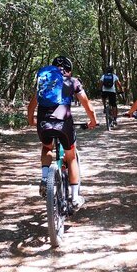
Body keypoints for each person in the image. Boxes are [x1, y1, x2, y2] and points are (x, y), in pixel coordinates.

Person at [27, 56, 98, 210]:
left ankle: (45, 178)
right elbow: (87, 106)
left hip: (43, 123)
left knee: (47, 147)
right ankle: (74, 198)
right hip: (64, 124)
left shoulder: (45, 83)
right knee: (71, 157)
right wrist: (93, 121)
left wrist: (32, 121)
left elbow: (30, 107)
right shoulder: (73, 81)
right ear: (69, 70)